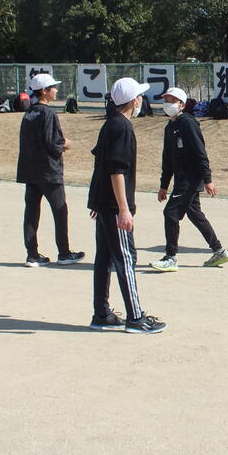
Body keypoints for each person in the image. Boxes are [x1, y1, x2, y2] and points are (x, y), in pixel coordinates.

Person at [87, 77, 166, 333]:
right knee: (126, 258)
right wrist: (123, 208)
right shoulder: (122, 126)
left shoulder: (110, 123)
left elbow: (100, 164)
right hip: (113, 206)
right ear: (134, 101)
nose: (141, 100)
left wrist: (97, 200)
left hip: (104, 203)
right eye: (139, 96)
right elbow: (116, 170)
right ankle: (135, 317)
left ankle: (101, 314)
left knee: (104, 259)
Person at [150, 87, 228, 271]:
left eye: (172, 101)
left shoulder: (188, 122)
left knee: (170, 213)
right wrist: (164, 185)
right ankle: (219, 251)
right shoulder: (169, 127)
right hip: (181, 179)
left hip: (190, 179)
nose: (168, 104)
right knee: (195, 214)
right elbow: (167, 159)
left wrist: (208, 179)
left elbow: (200, 151)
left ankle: (170, 257)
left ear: (182, 105)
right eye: (166, 100)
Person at [17, 73, 85, 267]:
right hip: (48, 171)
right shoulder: (48, 113)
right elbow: (52, 142)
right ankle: (64, 253)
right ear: (44, 91)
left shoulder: (29, 113)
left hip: (30, 170)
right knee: (60, 211)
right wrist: (65, 144)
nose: (56, 90)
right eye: (52, 87)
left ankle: (32, 255)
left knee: (31, 213)